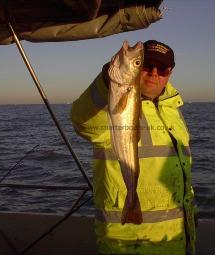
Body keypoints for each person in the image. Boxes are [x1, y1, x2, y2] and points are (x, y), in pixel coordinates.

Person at [71, 40, 196, 255]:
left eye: (163, 69)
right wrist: (105, 81)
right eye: (145, 65)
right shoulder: (108, 103)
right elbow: (83, 122)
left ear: (170, 72)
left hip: (177, 241)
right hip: (127, 243)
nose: (153, 74)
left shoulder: (173, 110)